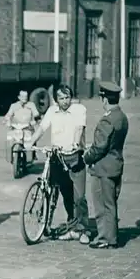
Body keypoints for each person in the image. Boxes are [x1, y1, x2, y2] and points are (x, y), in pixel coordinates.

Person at [25, 83, 90, 244]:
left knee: (79, 196)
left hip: (74, 156)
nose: (65, 101)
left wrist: (76, 143)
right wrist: (30, 141)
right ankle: (59, 225)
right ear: (56, 100)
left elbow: (79, 128)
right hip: (57, 156)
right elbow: (41, 128)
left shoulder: (78, 110)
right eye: (61, 98)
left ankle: (82, 229)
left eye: (67, 97)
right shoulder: (51, 111)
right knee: (60, 193)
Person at [84, 81, 129, 249]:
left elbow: (99, 148)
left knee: (102, 204)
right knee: (111, 203)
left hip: (103, 168)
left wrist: (86, 158)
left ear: (104, 99)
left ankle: (105, 238)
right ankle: (112, 238)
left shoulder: (107, 120)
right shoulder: (122, 117)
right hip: (116, 165)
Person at [4, 90, 39, 162]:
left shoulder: (31, 105)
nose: (25, 98)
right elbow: (8, 115)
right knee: (9, 138)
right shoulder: (14, 106)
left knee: (32, 138)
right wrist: (7, 120)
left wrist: (34, 120)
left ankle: (33, 154)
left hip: (27, 127)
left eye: (26, 96)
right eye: (23, 96)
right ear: (19, 97)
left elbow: (36, 114)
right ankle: (10, 156)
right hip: (16, 127)